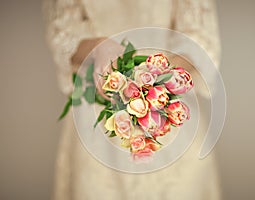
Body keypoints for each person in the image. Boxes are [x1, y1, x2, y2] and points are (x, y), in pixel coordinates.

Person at [43, 0, 222, 199]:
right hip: (97, 117)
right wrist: (98, 48)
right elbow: (62, 34)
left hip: (169, 113)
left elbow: (201, 40)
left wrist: (153, 75)